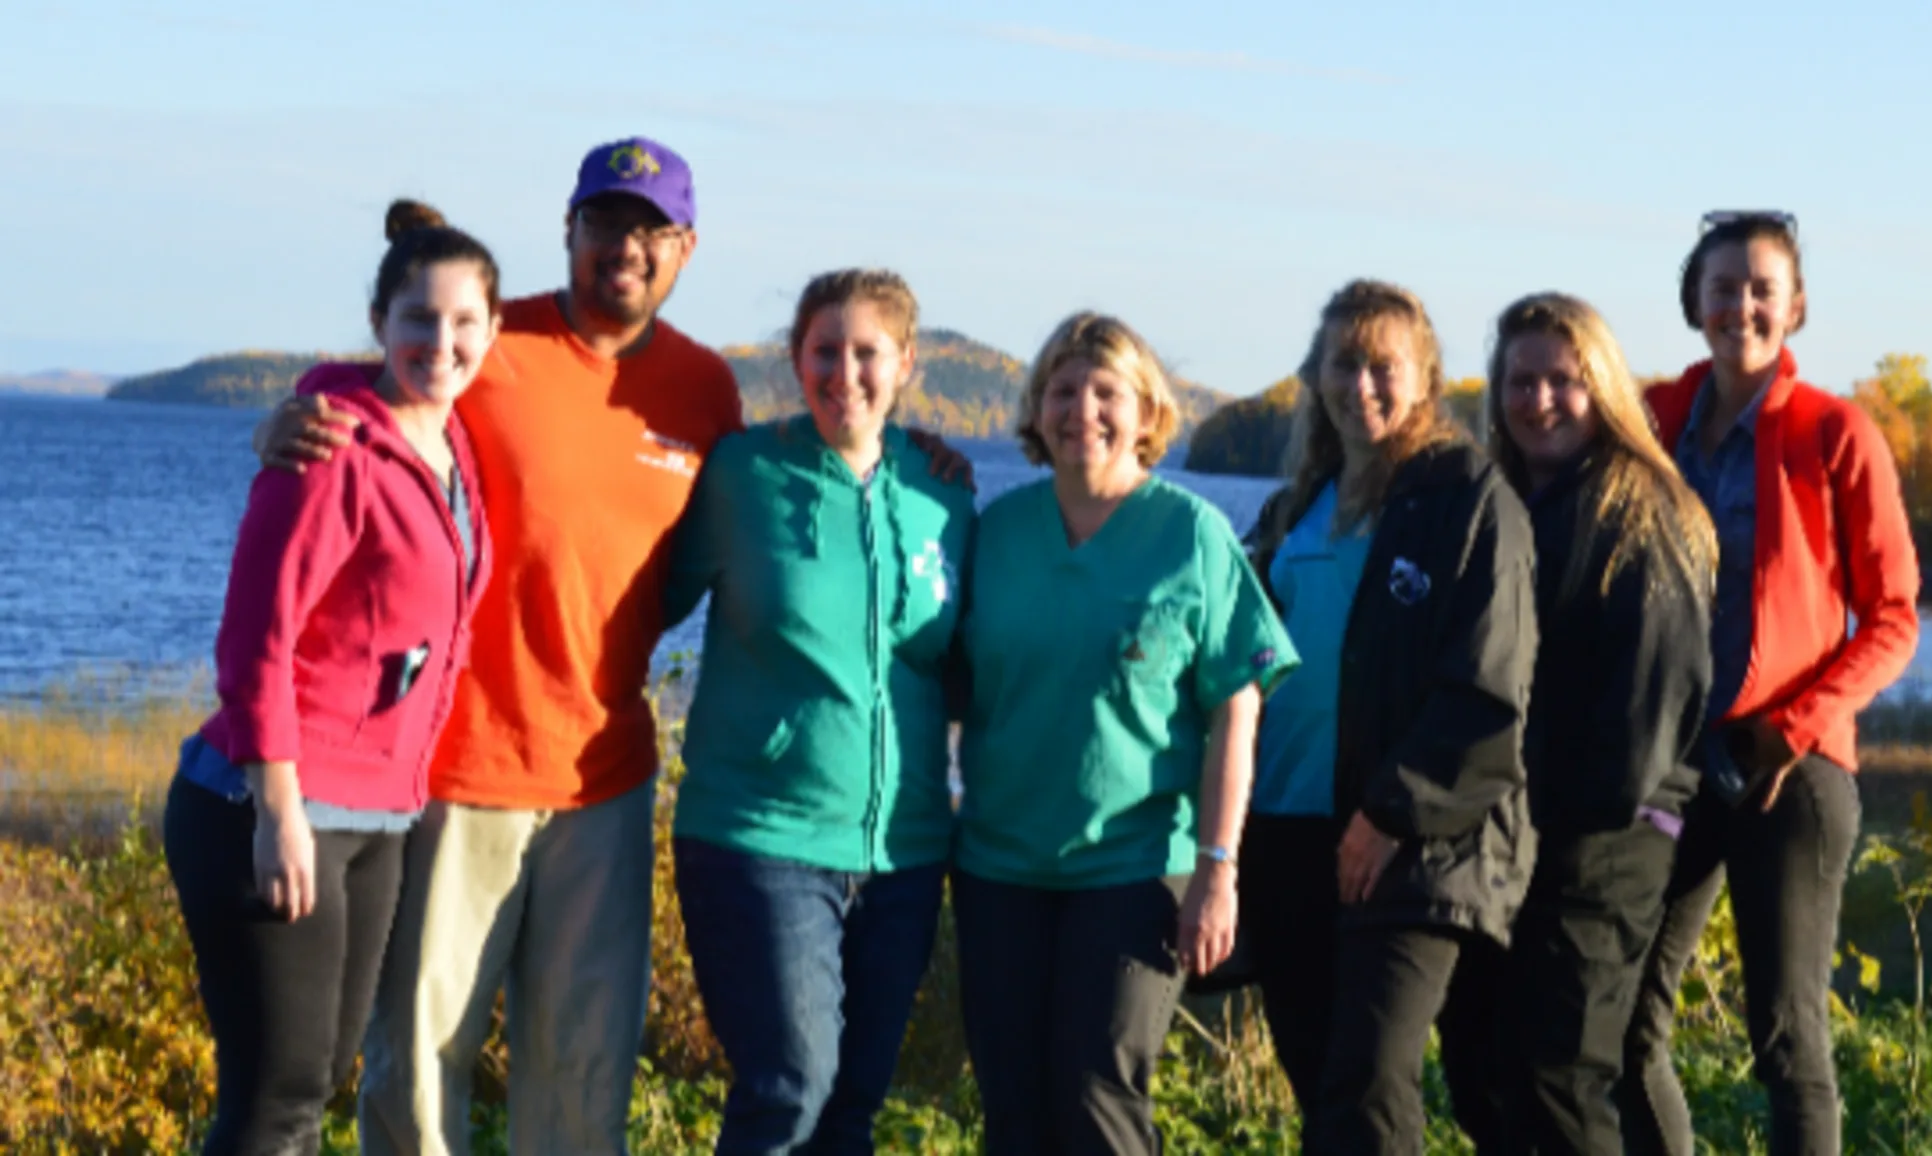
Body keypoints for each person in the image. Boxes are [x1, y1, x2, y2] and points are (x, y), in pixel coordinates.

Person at [259, 137, 744, 1154]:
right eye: (606, 222)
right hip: (456, 768)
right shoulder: (490, 340)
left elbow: (733, 532)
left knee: (584, 1066)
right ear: (569, 229)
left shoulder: (706, 391)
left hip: (605, 781)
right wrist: (289, 413)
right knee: (420, 1063)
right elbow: (366, 389)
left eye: (649, 230)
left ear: (685, 248)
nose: (625, 246)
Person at [163, 200, 499, 1155]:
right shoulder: (329, 441)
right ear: (379, 324)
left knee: (317, 1086)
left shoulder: (453, 446)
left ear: (493, 330)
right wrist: (278, 811)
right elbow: (254, 641)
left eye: (464, 322)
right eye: (418, 320)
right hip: (272, 804)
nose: (441, 342)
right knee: (276, 1102)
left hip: (380, 813)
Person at [952, 311, 1298, 1154]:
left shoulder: (1192, 537)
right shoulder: (995, 536)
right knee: (1014, 1106)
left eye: (1107, 391)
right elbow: (943, 685)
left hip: (1138, 866)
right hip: (1001, 867)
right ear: (1035, 413)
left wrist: (1219, 870)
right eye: (1062, 391)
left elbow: (1237, 706)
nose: (1083, 411)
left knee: (1098, 1094)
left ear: (1147, 415)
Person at [1620, 213, 1920, 1156]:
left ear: (1794, 307)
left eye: (1761, 288)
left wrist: (1794, 728)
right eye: (1722, 286)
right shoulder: (1651, 420)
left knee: (1786, 1040)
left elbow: (1894, 618)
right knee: (1626, 1026)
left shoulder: (1837, 431)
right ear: (1692, 302)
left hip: (1789, 771)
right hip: (1670, 765)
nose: (1741, 305)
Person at [661, 268, 975, 1154]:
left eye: (867, 352)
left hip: (905, 854)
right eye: (823, 352)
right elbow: (636, 601)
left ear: (905, 362)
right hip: (760, 837)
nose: (845, 374)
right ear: (795, 361)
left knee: (853, 1107)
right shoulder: (741, 473)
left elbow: (961, 659)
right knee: (790, 1086)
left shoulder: (942, 494)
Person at [1242, 279, 1536, 1156]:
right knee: (1317, 1077)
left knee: (1368, 1079)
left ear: (1426, 379)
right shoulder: (1297, 507)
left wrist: (1390, 815)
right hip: (1288, 828)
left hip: (1410, 848)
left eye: (1383, 366)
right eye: (1343, 363)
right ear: (1316, 376)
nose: (1359, 384)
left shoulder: (1469, 499)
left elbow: (1488, 692)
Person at [1482, 293, 1714, 1155]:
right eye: (1520, 379)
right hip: (1513, 836)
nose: (1539, 399)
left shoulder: (1642, 511)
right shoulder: (1505, 506)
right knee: (1501, 1072)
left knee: (1564, 1077)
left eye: (1563, 379)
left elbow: (1652, 700)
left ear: (1604, 387)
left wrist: (1556, 816)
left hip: (1604, 838)